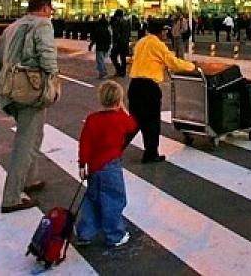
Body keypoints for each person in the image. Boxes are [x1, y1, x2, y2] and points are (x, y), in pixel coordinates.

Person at [0, 0, 58, 213]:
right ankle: (12, 197)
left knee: (34, 135)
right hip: (30, 90)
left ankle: (29, 179)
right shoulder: (43, 25)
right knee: (25, 143)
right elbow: (48, 58)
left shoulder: (12, 27)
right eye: (51, 10)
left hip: (10, 90)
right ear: (45, 8)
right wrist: (54, 82)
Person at [75, 81, 139, 249]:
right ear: (119, 101)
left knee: (92, 199)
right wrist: (123, 109)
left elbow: (85, 143)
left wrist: (82, 165)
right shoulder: (120, 119)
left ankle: (84, 233)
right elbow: (133, 125)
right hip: (111, 166)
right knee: (114, 199)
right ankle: (114, 235)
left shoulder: (92, 119)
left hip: (94, 167)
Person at [127, 19, 196, 163]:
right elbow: (174, 63)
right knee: (151, 123)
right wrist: (192, 67)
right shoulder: (158, 45)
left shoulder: (141, 42)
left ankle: (114, 149)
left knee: (134, 121)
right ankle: (150, 154)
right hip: (149, 88)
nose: (167, 33)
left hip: (134, 85)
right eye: (165, 30)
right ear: (160, 31)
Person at [88, 14, 111, 79]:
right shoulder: (107, 31)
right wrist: (108, 47)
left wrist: (91, 45)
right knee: (102, 60)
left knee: (100, 60)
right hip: (105, 47)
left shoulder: (98, 30)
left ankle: (103, 73)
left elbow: (95, 38)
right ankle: (103, 72)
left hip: (99, 47)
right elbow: (109, 39)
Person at [110, 9, 131, 77]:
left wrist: (115, 43)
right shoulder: (127, 22)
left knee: (113, 56)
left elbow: (116, 34)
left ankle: (119, 70)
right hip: (124, 43)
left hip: (118, 43)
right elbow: (127, 34)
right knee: (123, 58)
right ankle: (122, 71)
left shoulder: (117, 23)